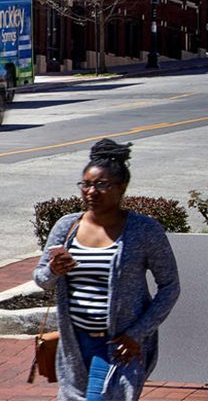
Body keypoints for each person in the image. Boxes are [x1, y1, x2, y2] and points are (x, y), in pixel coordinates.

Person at [35, 137, 182, 400]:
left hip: (118, 346)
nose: (91, 192)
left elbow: (170, 286)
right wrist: (54, 270)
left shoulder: (144, 230)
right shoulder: (66, 227)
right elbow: (42, 279)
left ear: (121, 187)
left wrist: (138, 333)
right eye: (86, 184)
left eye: (101, 185)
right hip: (73, 346)